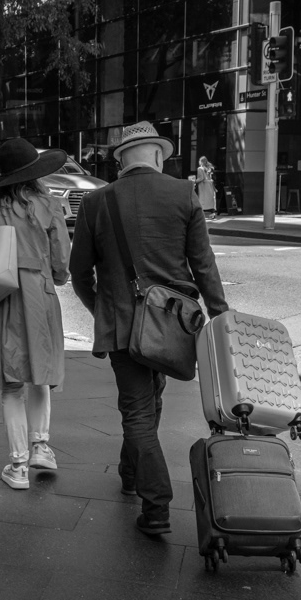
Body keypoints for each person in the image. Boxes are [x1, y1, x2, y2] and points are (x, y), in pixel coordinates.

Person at [69, 121, 229, 535]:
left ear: (121, 160)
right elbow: (204, 264)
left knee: (139, 409)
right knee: (149, 401)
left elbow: (79, 273)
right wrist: (221, 315)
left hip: (123, 324)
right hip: (175, 321)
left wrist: (101, 309)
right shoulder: (182, 193)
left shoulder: (96, 201)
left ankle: (156, 506)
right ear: (158, 156)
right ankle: (129, 474)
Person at [0, 140, 70, 490]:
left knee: (11, 384)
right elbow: (61, 260)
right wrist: (54, 277)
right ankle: (41, 446)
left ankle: (19, 466)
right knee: (40, 374)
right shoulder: (48, 203)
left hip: (2, 296)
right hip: (39, 294)